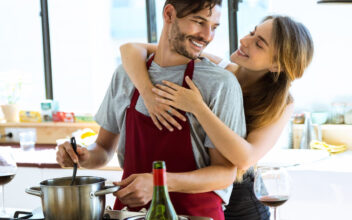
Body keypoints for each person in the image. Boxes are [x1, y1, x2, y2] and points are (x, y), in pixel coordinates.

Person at [56, 1, 246, 220]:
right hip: (130, 214)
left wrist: (159, 182)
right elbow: (103, 149)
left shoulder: (220, 83)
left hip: (195, 215)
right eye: (198, 22)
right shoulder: (126, 74)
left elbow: (224, 173)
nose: (207, 35)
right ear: (169, 14)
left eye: (214, 27)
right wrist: (82, 156)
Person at [119, 15, 314, 220]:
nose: (244, 41)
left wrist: (198, 108)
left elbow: (245, 159)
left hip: (242, 204)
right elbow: (130, 49)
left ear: (276, 65)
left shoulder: (282, 104)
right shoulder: (217, 69)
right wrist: (148, 93)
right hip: (199, 193)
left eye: (259, 43)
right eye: (252, 32)